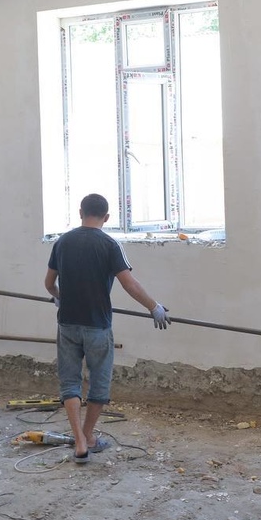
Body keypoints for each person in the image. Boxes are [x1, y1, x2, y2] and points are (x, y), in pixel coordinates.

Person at [44, 193, 171, 463]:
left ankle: (79, 441)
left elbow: (48, 283)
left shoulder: (62, 242)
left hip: (67, 323)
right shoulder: (110, 245)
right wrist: (154, 307)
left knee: (70, 382)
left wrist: (59, 297)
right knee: (99, 381)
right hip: (97, 325)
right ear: (107, 217)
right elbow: (129, 284)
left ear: (80, 213)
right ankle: (88, 436)